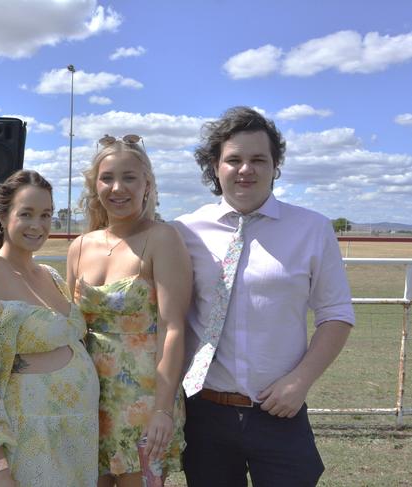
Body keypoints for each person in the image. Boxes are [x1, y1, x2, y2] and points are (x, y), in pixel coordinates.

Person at [173, 106, 355, 486]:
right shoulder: (183, 232)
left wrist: (300, 381)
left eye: (259, 159)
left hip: (279, 410)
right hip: (205, 411)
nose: (246, 169)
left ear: (276, 165)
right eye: (234, 159)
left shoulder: (313, 228)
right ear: (215, 166)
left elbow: (335, 313)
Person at [0, 169, 99, 487]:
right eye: (25, 214)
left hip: (73, 443)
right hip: (27, 450)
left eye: (45, 215)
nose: (37, 225)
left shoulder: (49, 276)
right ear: (2, 216)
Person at [67, 135, 192, 486]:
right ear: (95, 185)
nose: (117, 188)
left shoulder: (162, 238)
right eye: (107, 178)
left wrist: (162, 409)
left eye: (129, 177)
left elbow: (172, 328)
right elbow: (72, 326)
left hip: (144, 401)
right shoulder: (79, 247)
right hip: (88, 399)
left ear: (147, 184)